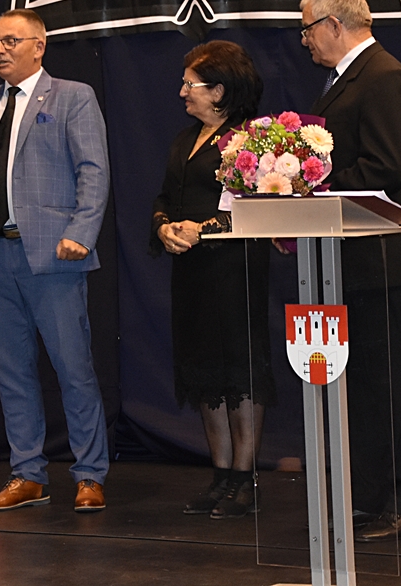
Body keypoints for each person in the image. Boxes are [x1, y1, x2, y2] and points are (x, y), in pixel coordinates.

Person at [0, 9, 110, 513]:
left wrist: (81, 232)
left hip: (53, 254)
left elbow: (94, 169)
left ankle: (90, 474)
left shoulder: (72, 97)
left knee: (73, 369)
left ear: (39, 46)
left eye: (11, 40)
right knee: (12, 372)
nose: (0, 49)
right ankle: (27, 474)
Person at [300, 0, 401, 542]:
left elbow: (386, 166)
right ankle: (374, 497)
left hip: (381, 258)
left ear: (334, 23)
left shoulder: (383, 76)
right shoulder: (345, 79)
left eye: (307, 27)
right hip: (350, 258)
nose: (304, 39)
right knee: (364, 387)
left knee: (393, 383)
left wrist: (310, 191)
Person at [150, 40, 276, 519]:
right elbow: (164, 196)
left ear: (219, 90)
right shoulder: (185, 138)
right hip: (191, 271)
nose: (182, 91)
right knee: (204, 371)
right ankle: (221, 476)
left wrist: (203, 229)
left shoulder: (248, 141)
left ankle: (245, 479)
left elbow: (257, 209)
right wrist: (164, 227)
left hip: (233, 270)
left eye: (191, 84)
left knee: (238, 371)